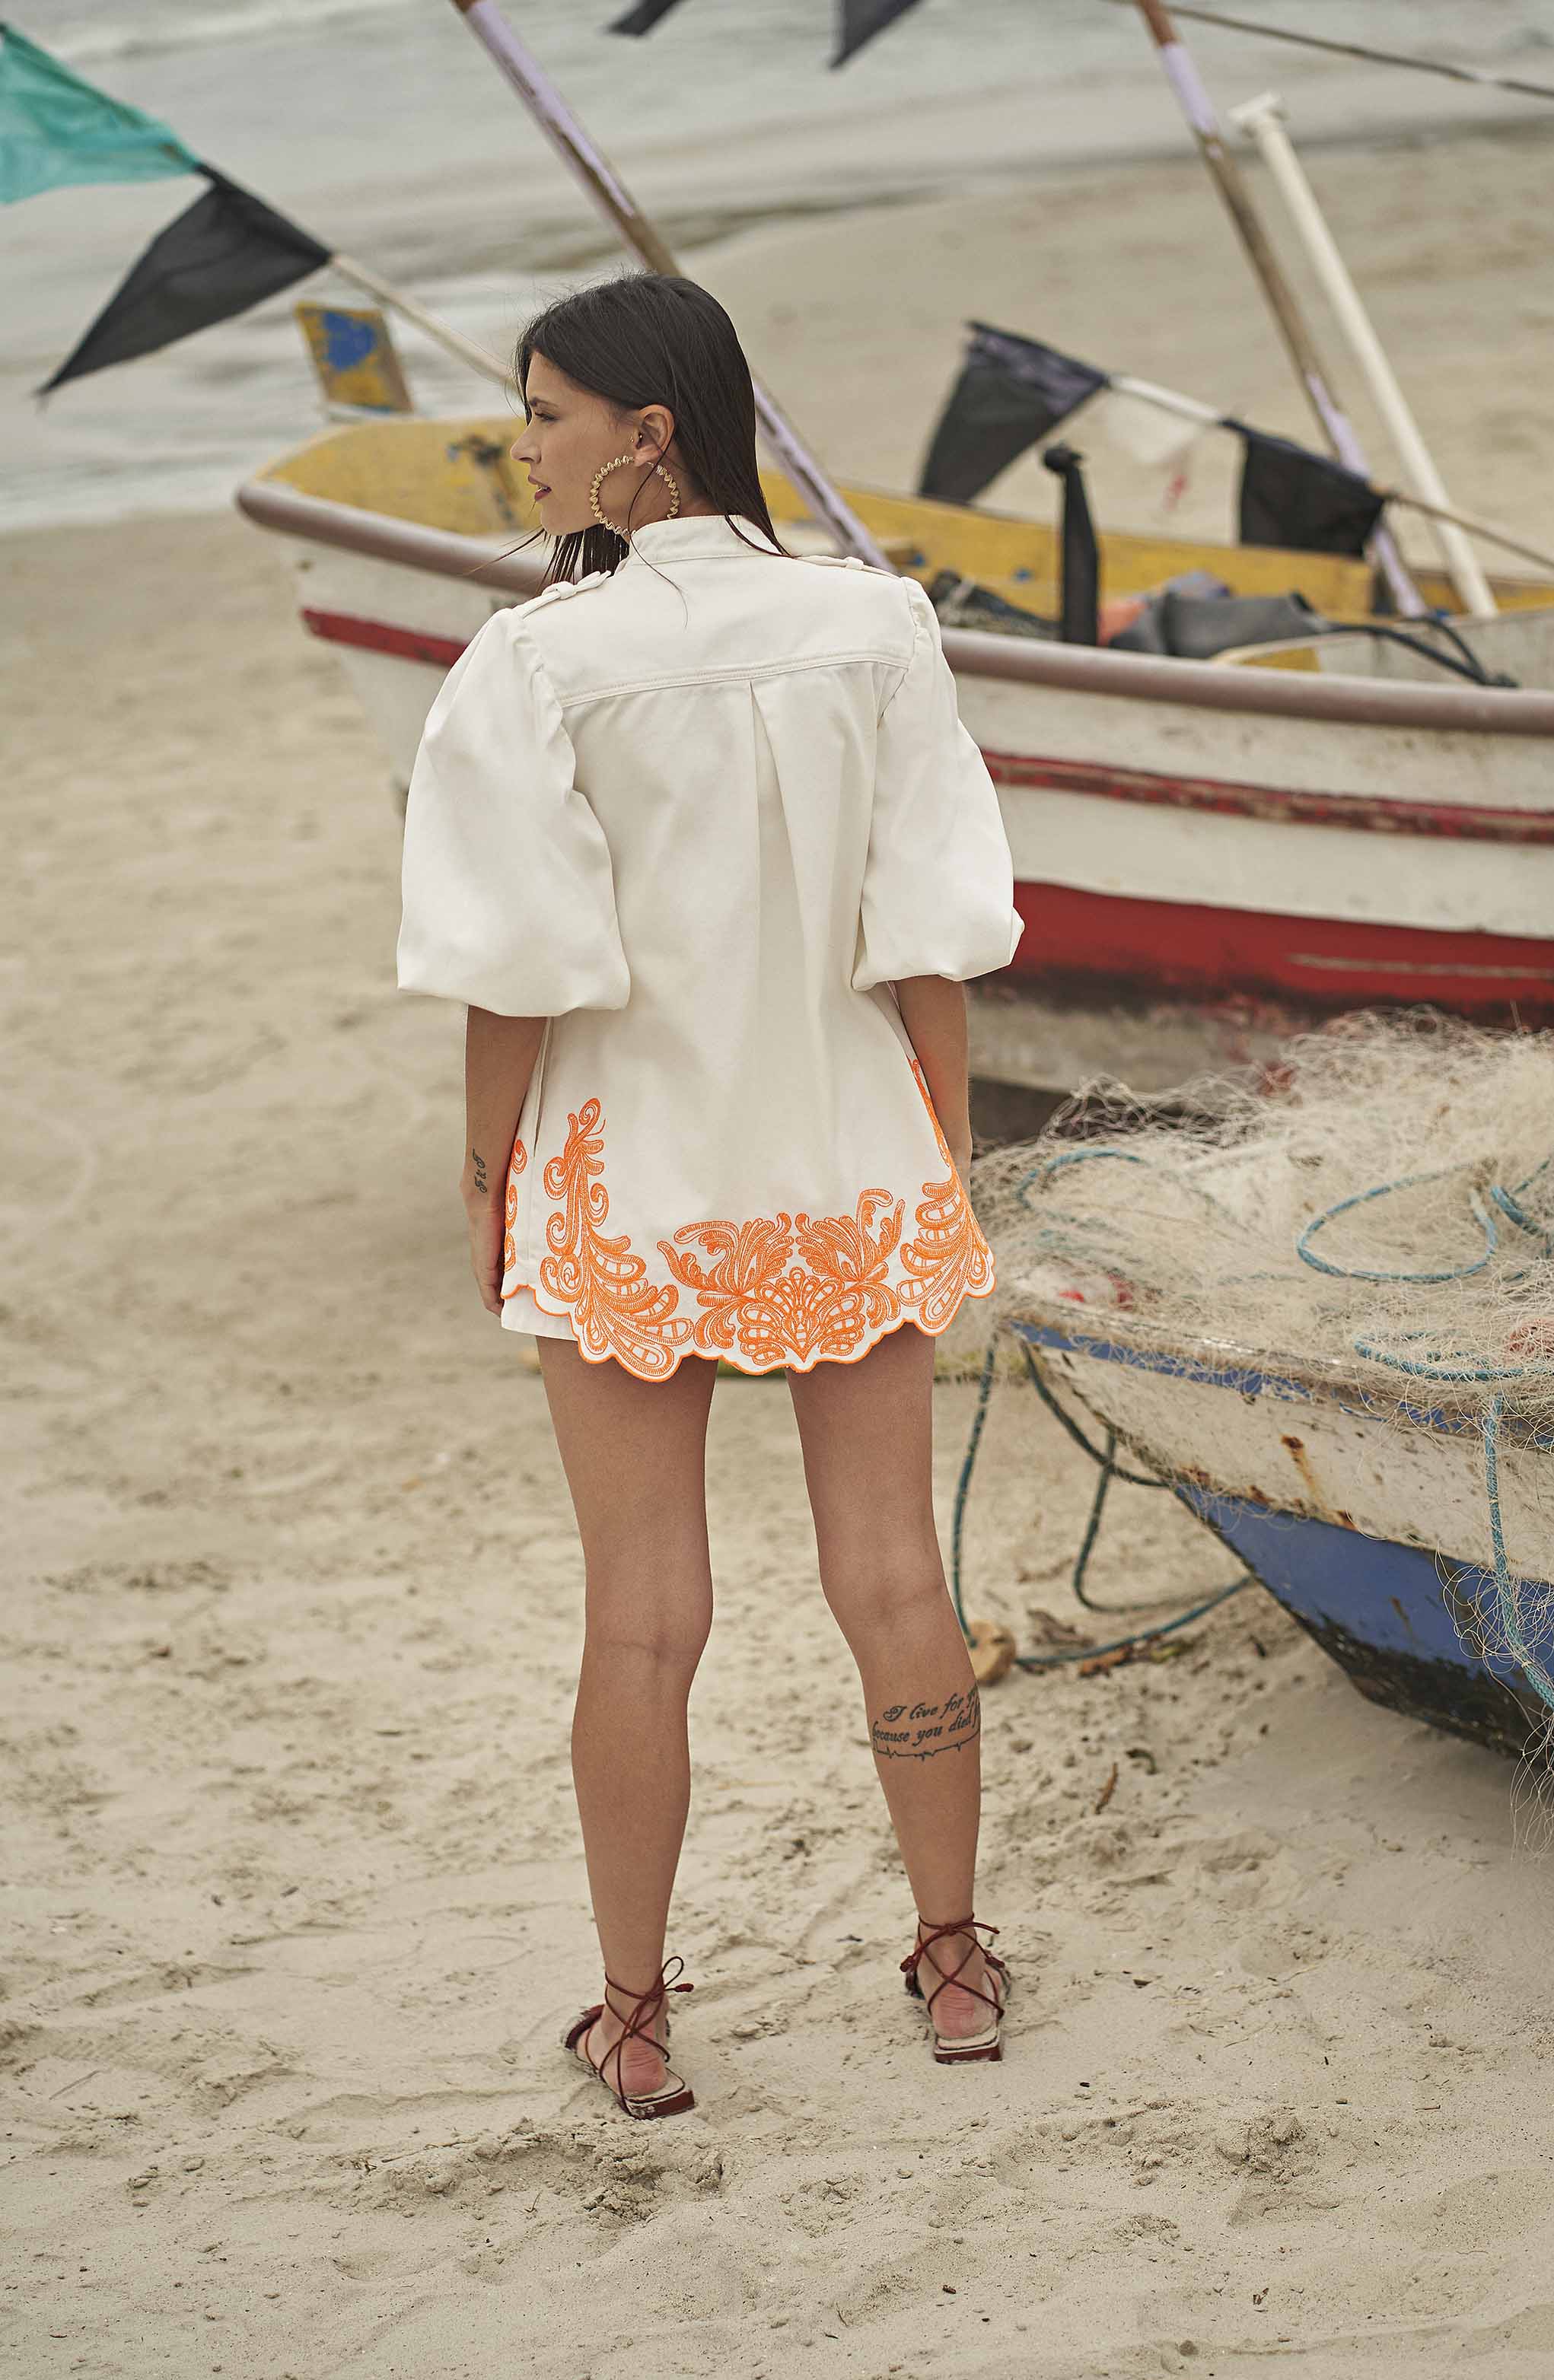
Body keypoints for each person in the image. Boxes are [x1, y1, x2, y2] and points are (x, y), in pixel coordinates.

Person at [396, 270, 1024, 2118]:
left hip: (631, 1175)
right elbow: (927, 926)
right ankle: (953, 1965)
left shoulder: (534, 664)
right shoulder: (875, 622)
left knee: (643, 1615)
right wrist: (940, 1138)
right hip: (846, 1152)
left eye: (545, 414)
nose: (522, 449)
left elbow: (516, 970)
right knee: (892, 1576)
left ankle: (637, 2015)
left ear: (647, 432)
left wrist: (484, 1170)